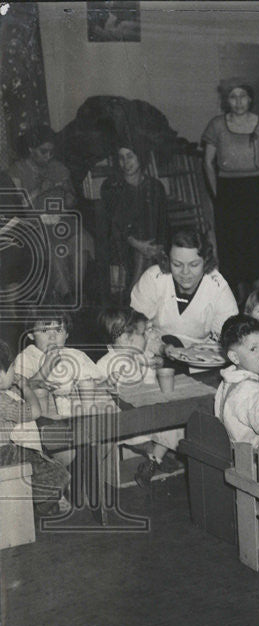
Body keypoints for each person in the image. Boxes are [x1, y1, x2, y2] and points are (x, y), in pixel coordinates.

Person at [201, 79, 259, 296]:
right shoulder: (216, 125)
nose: (239, 101)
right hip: (228, 189)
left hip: (256, 188)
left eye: (243, 96)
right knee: (231, 242)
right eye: (233, 97)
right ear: (227, 101)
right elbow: (208, 162)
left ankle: (257, 295)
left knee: (257, 241)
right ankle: (233, 295)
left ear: (250, 99)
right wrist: (218, 194)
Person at [95, 307, 182, 489]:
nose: (146, 339)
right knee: (168, 423)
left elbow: (149, 386)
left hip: (143, 413)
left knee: (175, 420)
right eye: (143, 334)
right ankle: (155, 457)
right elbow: (98, 394)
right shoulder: (105, 364)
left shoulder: (138, 357)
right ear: (127, 339)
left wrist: (154, 367)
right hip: (123, 420)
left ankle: (153, 461)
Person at [8, 125, 94, 303]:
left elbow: (72, 201)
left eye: (51, 152)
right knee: (55, 248)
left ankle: (77, 292)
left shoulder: (58, 168)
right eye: (43, 151)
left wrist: (67, 193)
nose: (49, 156)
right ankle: (66, 296)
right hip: (35, 223)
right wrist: (40, 190)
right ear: (31, 149)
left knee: (83, 239)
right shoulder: (17, 171)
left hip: (61, 219)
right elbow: (18, 207)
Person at [130, 229, 239, 349]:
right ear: (167, 259)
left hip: (203, 358)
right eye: (177, 264)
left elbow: (230, 339)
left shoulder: (218, 288)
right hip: (154, 352)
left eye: (194, 265)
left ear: (206, 261)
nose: (185, 272)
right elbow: (132, 329)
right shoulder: (153, 279)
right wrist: (159, 349)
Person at [0, 340, 70, 517]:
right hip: (5, 453)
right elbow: (36, 411)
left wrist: (27, 384)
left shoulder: (5, 394)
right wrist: (26, 388)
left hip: (8, 451)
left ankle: (38, 505)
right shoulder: (2, 401)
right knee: (59, 474)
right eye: (12, 368)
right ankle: (35, 511)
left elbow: (17, 393)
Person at [99, 141, 169, 298]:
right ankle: (133, 303)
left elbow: (163, 222)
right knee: (141, 258)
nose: (125, 163)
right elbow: (115, 224)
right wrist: (138, 245)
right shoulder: (112, 186)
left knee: (147, 257)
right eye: (121, 158)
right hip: (122, 245)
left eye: (130, 157)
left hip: (152, 245)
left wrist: (158, 246)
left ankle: (136, 304)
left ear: (141, 157)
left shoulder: (155, 186)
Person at [12, 315, 101, 418]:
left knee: (88, 382)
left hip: (78, 412)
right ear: (31, 335)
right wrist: (47, 367)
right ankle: (45, 422)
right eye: (44, 331)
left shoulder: (76, 355)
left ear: (67, 334)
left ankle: (90, 417)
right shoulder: (27, 357)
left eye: (59, 330)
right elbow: (17, 390)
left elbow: (99, 381)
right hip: (45, 413)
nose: (52, 337)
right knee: (39, 390)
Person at [214, 314, 259, 446]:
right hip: (253, 457)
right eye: (253, 349)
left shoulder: (231, 378)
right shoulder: (247, 389)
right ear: (234, 357)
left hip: (234, 449)